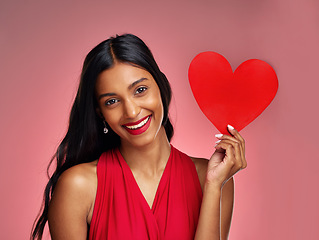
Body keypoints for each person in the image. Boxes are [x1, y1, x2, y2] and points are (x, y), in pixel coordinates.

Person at [31, 33, 247, 240]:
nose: (132, 112)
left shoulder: (213, 180)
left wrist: (213, 185)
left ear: (161, 86)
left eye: (140, 89)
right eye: (112, 101)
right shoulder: (78, 186)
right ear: (101, 113)